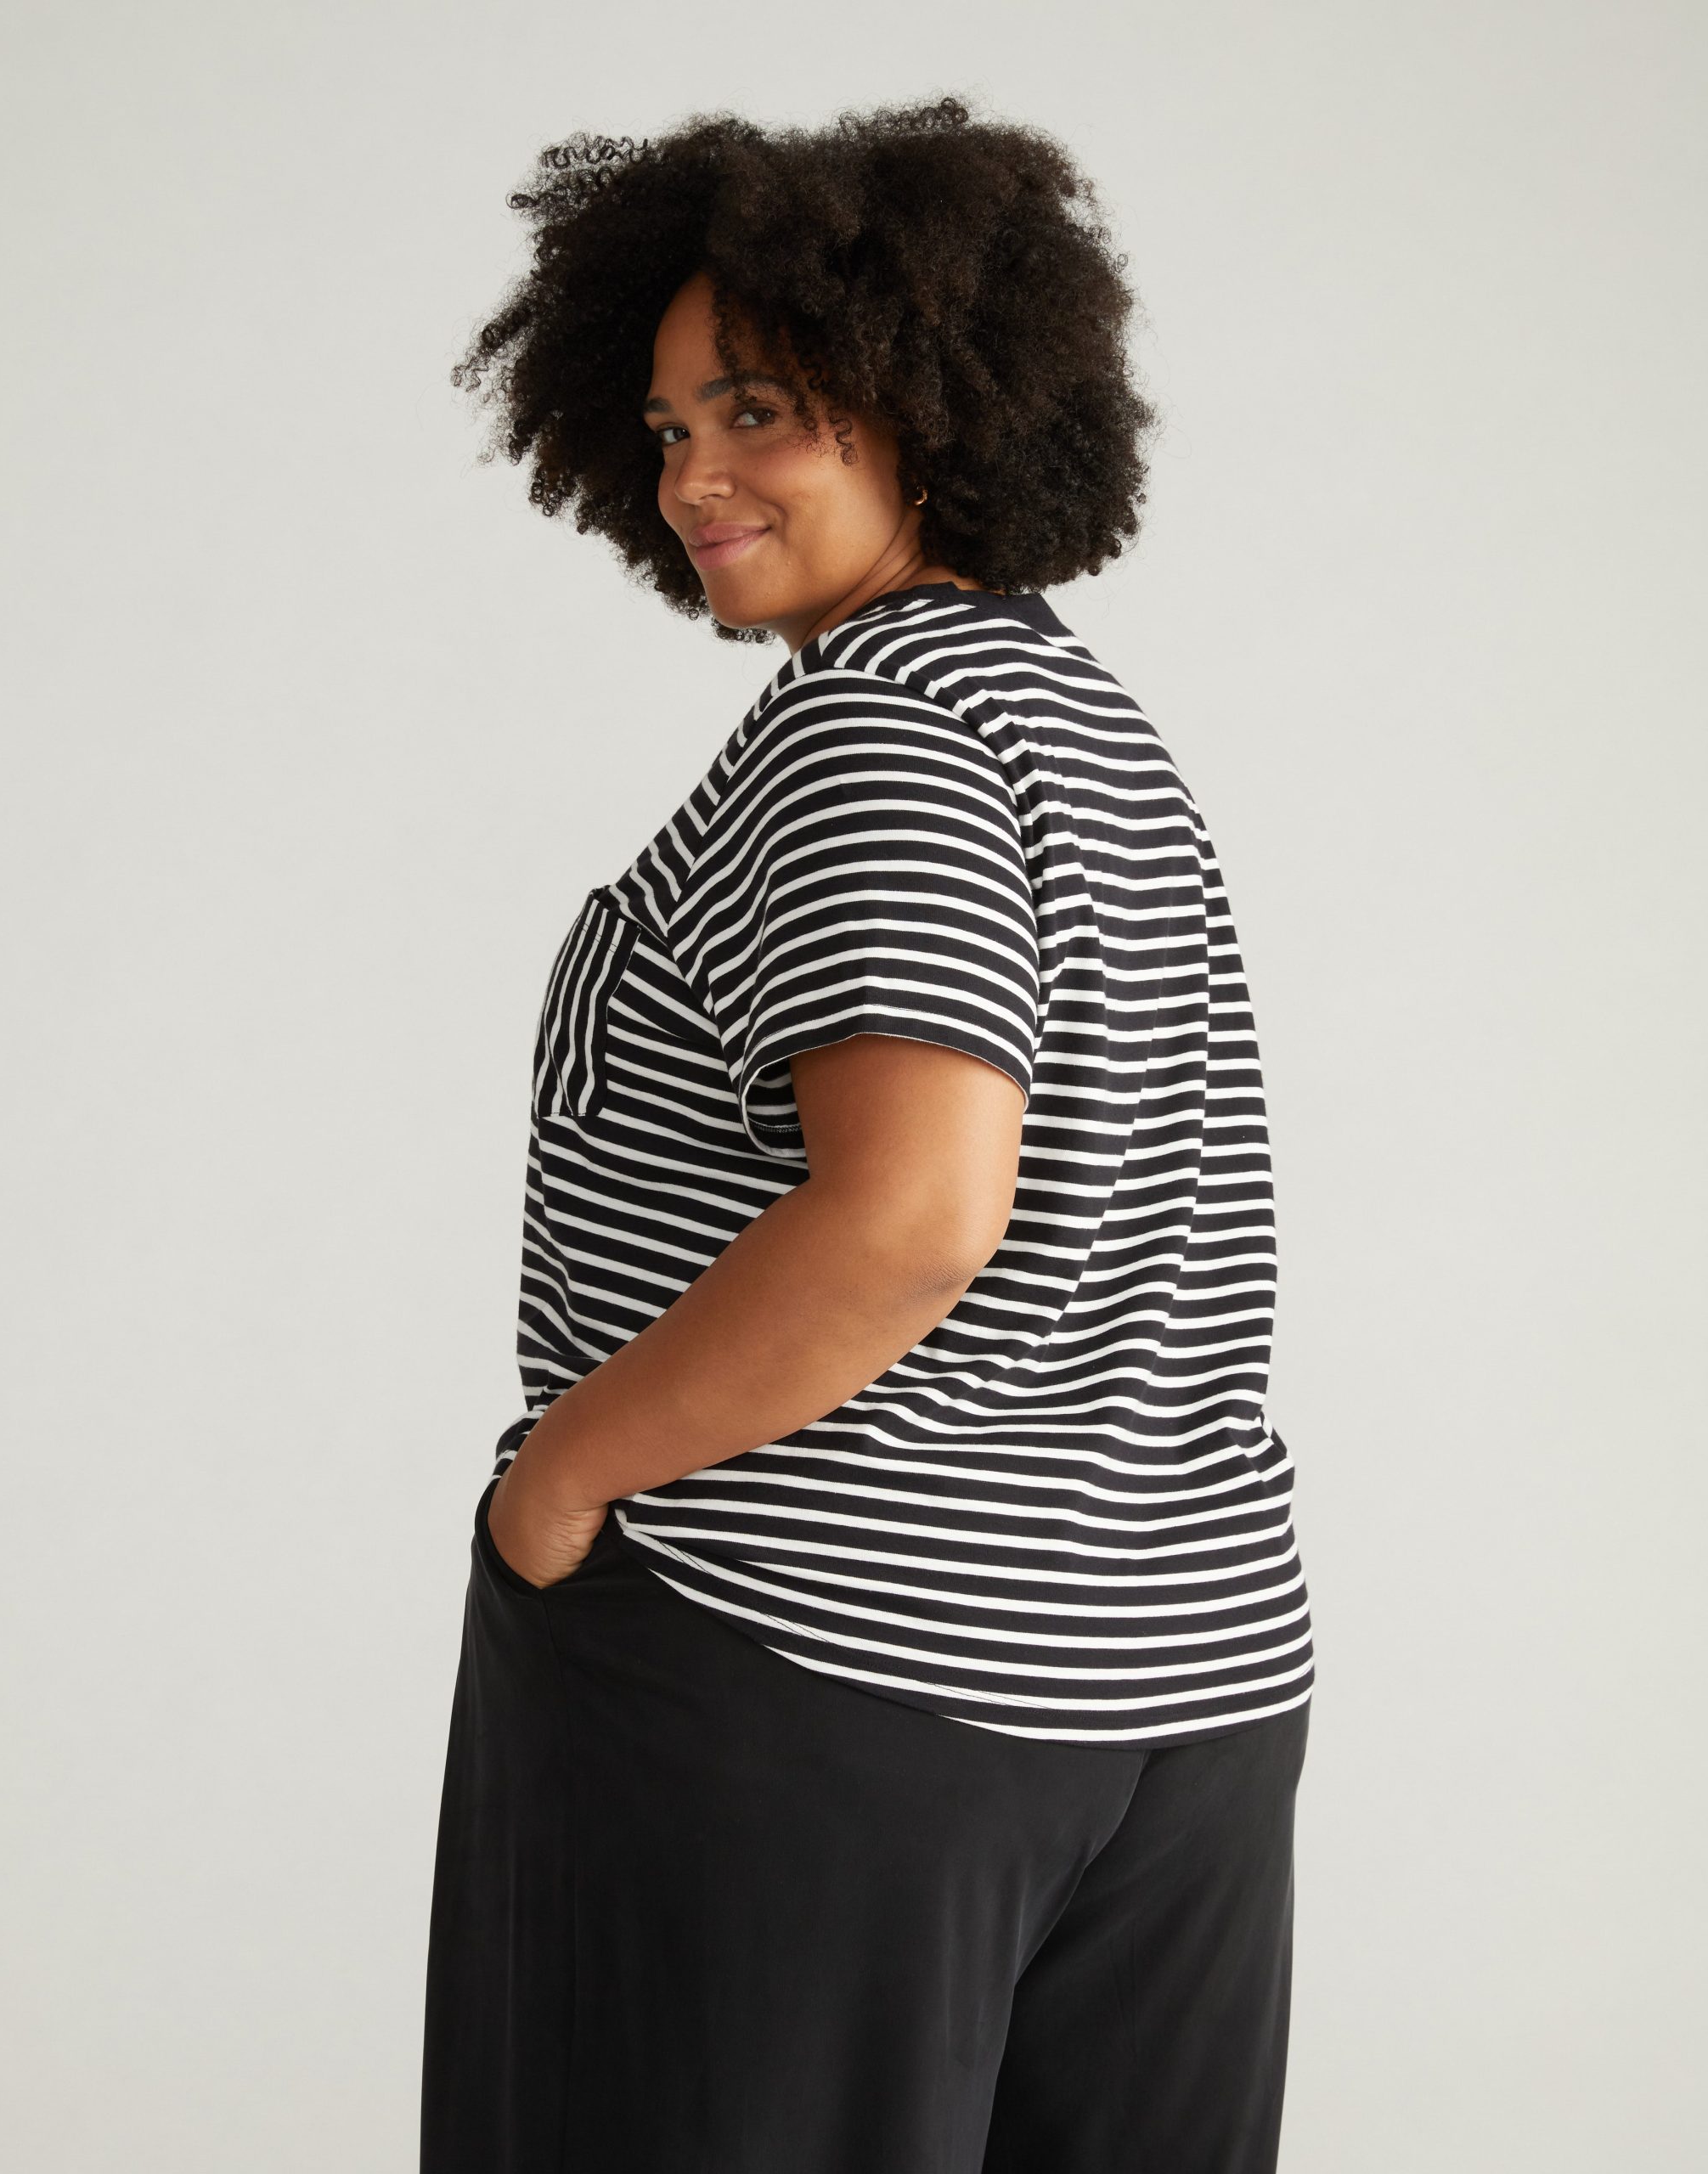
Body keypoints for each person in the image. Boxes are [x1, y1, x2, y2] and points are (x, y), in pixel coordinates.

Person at [421, 95, 1315, 2174]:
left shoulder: (875, 723)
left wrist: (564, 1478)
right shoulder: (1080, 718)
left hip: (810, 1666)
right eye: (665, 427)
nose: (692, 476)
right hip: (1174, 1686)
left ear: (928, 395)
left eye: (757, 408)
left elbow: (912, 1213)